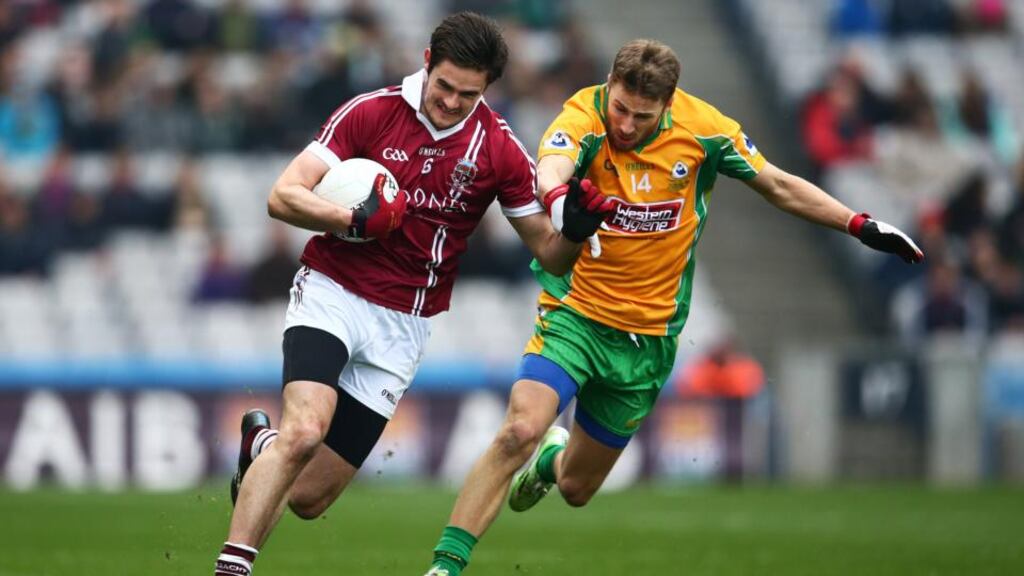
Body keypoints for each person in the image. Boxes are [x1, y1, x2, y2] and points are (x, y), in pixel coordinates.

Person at [422, 39, 924, 576]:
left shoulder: (704, 129)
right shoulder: (584, 113)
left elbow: (777, 184)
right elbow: (552, 164)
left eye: (642, 116)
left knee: (575, 488)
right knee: (520, 428)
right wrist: (562, 203)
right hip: (577, 314)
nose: (626, 124)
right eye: (620, 108)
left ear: (667, 104)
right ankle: (447, 565)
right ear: (609, 86)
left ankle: (551, 461)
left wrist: (858, 224)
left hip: (648, 338)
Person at [213, 12, 613, 576]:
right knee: (305, 429)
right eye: (444, 85)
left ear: (487, 89)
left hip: (404, 324)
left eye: (467, 94)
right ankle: (232, 567)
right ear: (427, 62)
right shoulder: (370, 112)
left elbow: (550, 254)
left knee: (308, 498)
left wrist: (574, 229)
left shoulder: (498, 149)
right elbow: (283, 196)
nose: (450, 101)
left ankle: (260, 446)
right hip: (333, 292)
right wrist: (351, 217)